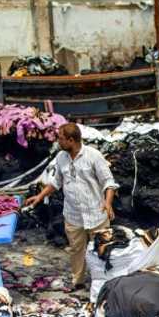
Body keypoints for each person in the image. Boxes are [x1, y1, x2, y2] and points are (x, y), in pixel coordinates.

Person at [24, 122, 119, 292]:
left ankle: (106, 283)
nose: (58, 142)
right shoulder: (61, 157)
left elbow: (109, 183)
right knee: (77, 250)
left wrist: (108, 203)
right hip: (73, 215)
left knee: (102, 249)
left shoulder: (94, 156)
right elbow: (56, 182)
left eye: (60, 139)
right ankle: (79, 281)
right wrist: (39, 197)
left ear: (71, 140)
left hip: (96, 213)